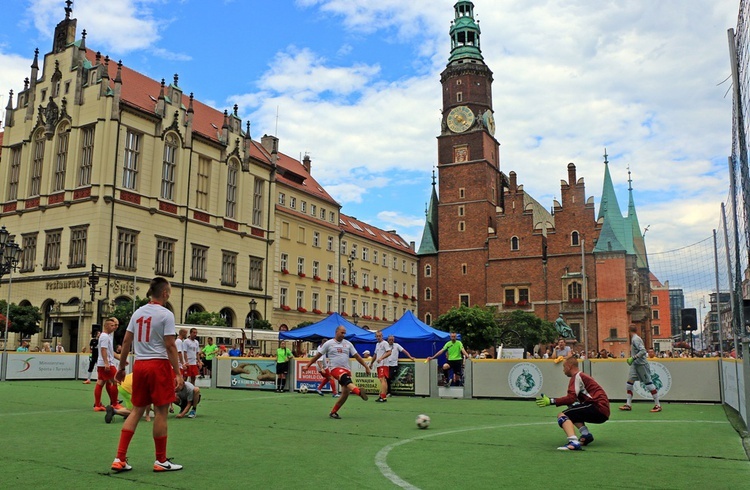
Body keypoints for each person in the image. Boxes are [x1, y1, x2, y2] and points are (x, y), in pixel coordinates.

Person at [111, 276, 184, 473]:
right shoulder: (166, 314)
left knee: (136, 410)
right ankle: (161, 460)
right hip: (158, 365)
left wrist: (121, 367)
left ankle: (119, 458)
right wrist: (177, 373)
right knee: (161, 412)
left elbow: (126, 341)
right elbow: (170, 345)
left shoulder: (138, 313)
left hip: (140, 365)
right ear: (165, 293)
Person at [535, 356, 610, 450]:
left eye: (564, 367)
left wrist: (551, 401)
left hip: (597, 407)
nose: (563, 370)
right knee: (572, 411)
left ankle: (573, 442)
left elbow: (571, 398)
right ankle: (586, 435)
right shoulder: (582, 376)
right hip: (603, 411)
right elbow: (574, 400)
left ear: (569, 366)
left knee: (562, 415)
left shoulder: (577, 377)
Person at [304, 325, 371, 419]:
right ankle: (359, 392)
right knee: (345, 379)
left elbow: (357, 356)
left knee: (345, 393)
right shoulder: (329, 343)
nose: (343, 335)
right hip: (335, 369)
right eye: (342, 333)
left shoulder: (348, 344)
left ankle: (333, 412)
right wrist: (308, 365)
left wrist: (366, 366)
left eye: (344, 333)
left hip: (347, 369)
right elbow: (318, 356)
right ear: (336, 332)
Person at [619, 325, 661, 413]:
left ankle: (657, 405)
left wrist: (633, 357)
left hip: (641, 364)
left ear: (628, 330)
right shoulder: (634, 339)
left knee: (648, 383)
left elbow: (643, 351)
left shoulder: (636, 339)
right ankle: (628, 404)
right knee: (629, 383)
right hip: (635, 364)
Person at [94, 318, 123, 412]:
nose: (114, 327)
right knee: (115, 381)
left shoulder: (105, 336)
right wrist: (107, 363)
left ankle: (98, 405)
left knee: (101, 382)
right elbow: (103, 350)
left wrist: (120, 358)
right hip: (107, 364)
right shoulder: (105, 337)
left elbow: (109, 351)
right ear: (106, 326)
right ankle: (115, 403)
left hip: (102, 363)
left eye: (115, 325)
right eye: (112, 325)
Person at [370, 331, 392, 403]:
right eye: (377, 336)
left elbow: (389, 352)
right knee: (382, 380)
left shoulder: (385, 343)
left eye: (380, 336)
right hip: (379, 365)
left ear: (382, 336)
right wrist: (371, 363)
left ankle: (383, 396)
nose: (378, 337)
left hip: (384, 364)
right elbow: (375, 355)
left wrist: (381, 358)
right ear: (375, 337)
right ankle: (382, 395)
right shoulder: (377, 344)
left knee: (383, 380)